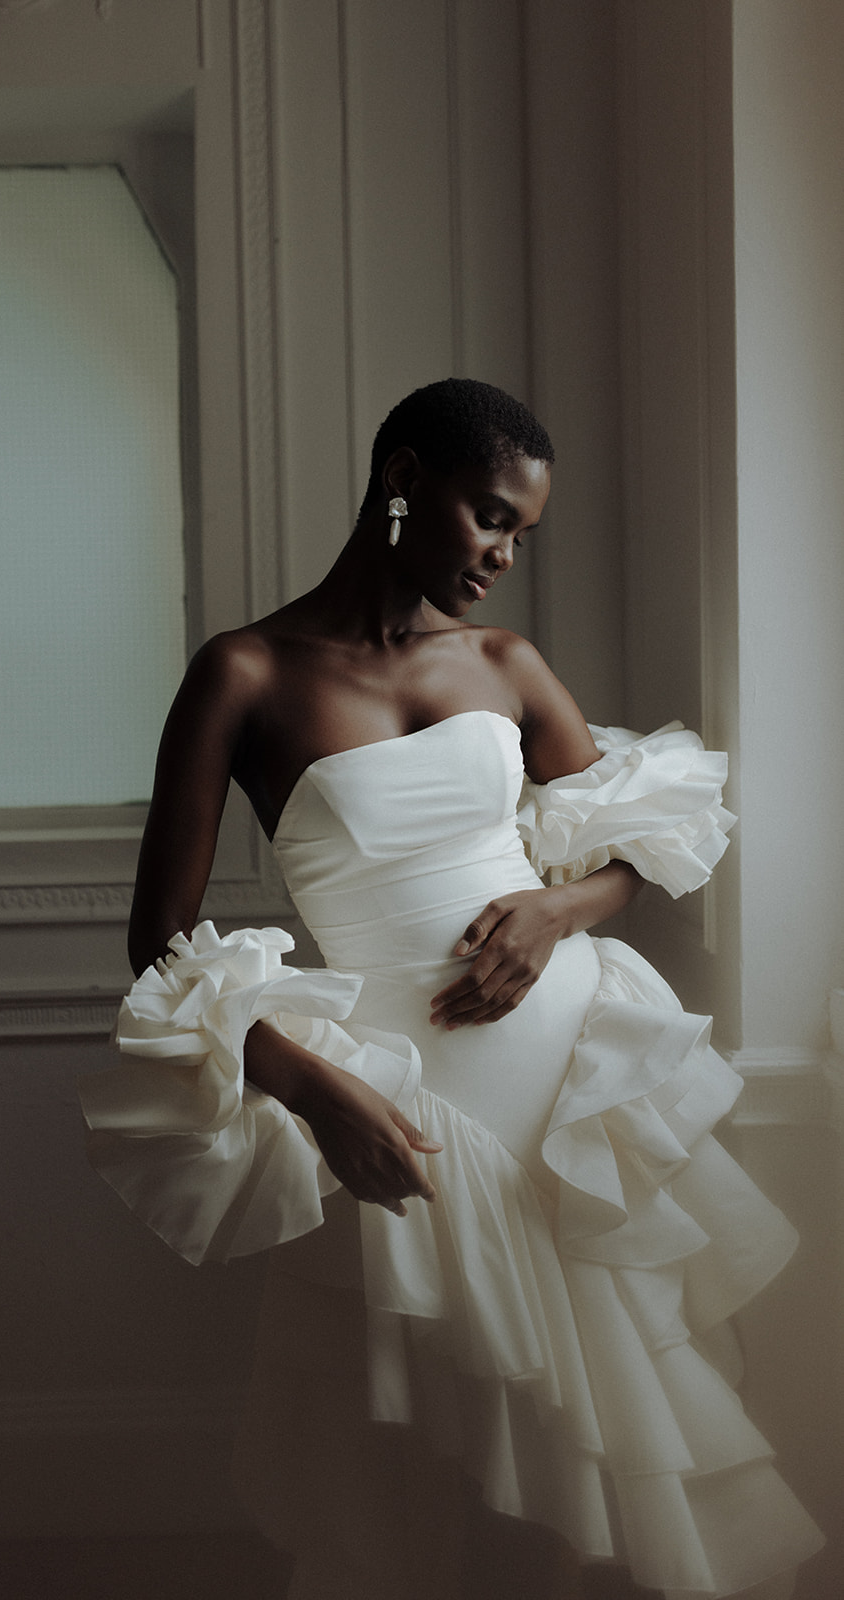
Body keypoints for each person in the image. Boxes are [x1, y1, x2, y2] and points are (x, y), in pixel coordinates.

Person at [80, 380, 823, 1600]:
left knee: (603, 1465)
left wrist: (552, 906)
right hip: (405, 1112)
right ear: (403, 477)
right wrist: (314, 1091)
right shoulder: (245, 673)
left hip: (573, 1101)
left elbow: (644, 841)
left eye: (520, 534)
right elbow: (158, 942)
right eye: (489, 516)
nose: (501, 554)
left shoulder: (502, 661)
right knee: (429, 1472)